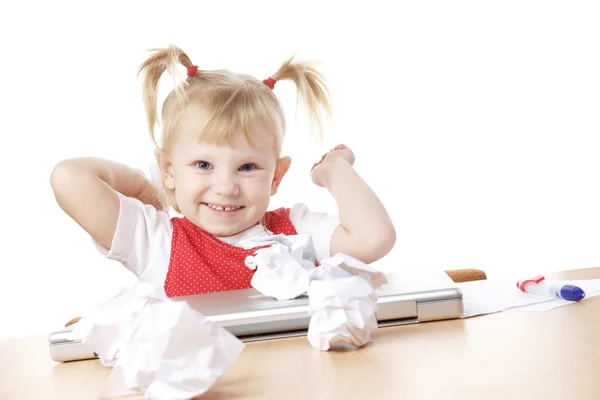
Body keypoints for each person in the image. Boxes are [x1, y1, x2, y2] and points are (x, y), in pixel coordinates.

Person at [50, 44, 396, 298]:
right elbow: (69, 178)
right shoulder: (158, 242)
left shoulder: (297, 233)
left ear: (276, 176)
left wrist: (335, 170)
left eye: (247, 167)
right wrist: (145, 190)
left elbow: (374, 238)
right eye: (203, 165)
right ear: (169, 169)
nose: (226, 187)